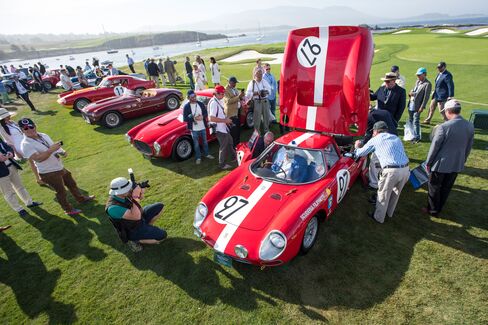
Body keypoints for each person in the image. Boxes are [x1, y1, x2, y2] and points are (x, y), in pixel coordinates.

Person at [19, 118, 95, 215]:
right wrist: (51, 150)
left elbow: (54, 146)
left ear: (35, 125)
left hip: (59, 166)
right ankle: (68, 210)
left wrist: (62, 151)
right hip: (48, 172)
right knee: (61, 192)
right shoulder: (25, 144)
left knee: (72, 183)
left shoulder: (43, 135)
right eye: (26, 128)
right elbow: (38, 158)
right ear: (22, 130)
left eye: (31, 126)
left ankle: (81, 199)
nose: (29, 129)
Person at [424, 99, 474, 216]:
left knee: (434, 187)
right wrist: (463, 160)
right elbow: (468, 147)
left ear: (447, 111)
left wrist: (428, 162)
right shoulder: (470, 126)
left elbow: (435, 147)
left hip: (440, 164)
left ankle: (433, 209)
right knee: (446, 187)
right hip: (457, 163)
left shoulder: (444, 127)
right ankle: (439, 206)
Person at [354, 121, 409, 224]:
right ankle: (389, 213)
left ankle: (378, 217)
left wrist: (357, 146)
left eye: (373, 132)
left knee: (383, 194)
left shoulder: (375, 139)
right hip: (405, 169)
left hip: (391, 171)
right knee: (395, 193)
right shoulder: (395, 138)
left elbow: (361, 153)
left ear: (376, 131)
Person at [105, 177, 167, 252]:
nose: (130, 189)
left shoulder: (124, 194)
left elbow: (141, 198)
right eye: (128, 188)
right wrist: (135, 196)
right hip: (132, 229)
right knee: (162, 236)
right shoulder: (113, 208)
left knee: (160, 206)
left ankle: (147, 227)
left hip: (139, 218)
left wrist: (141, 190)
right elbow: (136, 216)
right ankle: (135, 240)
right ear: (120, 192)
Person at [0, 108, 44, 185]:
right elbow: (8, 142)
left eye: (8, 114)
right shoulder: (2, 128)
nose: (9, 116)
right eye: (6, 115)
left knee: (35, 159)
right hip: (18, 146)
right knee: (33, 160)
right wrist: (16, 152)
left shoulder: (12, 122)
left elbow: (22, 131)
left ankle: (40, 178)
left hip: (25, 141)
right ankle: (39, 178)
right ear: (3, 118)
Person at [0, 137, 42, 216]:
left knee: (20, 186)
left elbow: (6, 146)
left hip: (11, 165)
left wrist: (10, 152)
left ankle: (29, 202)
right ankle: (19, 209)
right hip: (1, 173)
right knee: (8, 192)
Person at [361, 108, 398, 191]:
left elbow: (369, 134)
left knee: (374, 160)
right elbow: (395, 123)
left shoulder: (369, 117)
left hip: (384, 140)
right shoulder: (384, 111)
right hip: (394, 137)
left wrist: (363, 144)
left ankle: (374, 184)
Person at [182, 90, 214, 164]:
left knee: (205, 142)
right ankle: (198, 157)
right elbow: (185, 119)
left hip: (202, 127)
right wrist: (193, 118)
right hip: (194, 129)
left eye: (195, 96)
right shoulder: (186, 107)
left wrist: (202, 117)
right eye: (192, 97)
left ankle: (207, 154)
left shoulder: (200, 104)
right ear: (188, 98)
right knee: (196, 144)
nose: (194, 98)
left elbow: (206, 113)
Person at [209, 85, 235, 169]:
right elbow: (211, 118)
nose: (223, 95)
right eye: (222, 93)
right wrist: (225, 121)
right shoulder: (214, 103)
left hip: (223, 127)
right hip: (219, 129)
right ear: (216, 93)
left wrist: (226, 120)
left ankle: (233, 157)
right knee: (224, 146)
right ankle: (222, 164)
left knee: (230, 141)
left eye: (224, 93)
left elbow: (220, 114)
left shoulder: (218, 100)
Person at [407, 67, 432, 143]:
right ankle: (412, 135)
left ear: (424, 74)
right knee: (411, 120)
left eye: (419, 75)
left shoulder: (427, 84)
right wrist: (410, 93)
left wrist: (422, 107)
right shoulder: (417, 81)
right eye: (417, 75)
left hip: (418, 106)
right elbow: (414, 90)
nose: (418, 77)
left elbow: (426, 97)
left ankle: (417, 137)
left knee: (415, 121)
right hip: (411, 103)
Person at [246, 68, 272, 135]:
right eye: (258, 74)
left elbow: (270, 90)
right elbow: (247, 94)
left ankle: (266, 131)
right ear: (255, 75)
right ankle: (257, 132)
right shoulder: (252, 83)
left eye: (260, 74)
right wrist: (257, 93)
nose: (259, 76)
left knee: (266, 117)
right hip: (257, 101)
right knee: (257, 118)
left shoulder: (264, 81)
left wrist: (265, 92)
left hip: (265, 101)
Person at [224, 76, 245, 147]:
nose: (235, 84)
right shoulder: (225, 90)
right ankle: (234, 146)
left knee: (238, 129)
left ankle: (238, 144)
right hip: (231, 114)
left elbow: (238, 98)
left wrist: (241, 96)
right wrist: (238, 97)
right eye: (234, 83)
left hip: (237, 112)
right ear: (229, 82)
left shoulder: (235, 89)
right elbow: (228, 101)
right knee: (234, 131)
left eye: (235, 83)